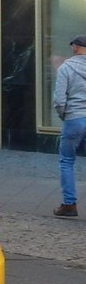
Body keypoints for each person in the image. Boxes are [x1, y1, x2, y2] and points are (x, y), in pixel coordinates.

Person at [52, 34, 86, 217]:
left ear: (75, 48)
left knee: (66, 161)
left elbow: (59, 99)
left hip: (74, 118)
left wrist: (64, 114)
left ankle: (69, 204)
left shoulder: (66, 68)